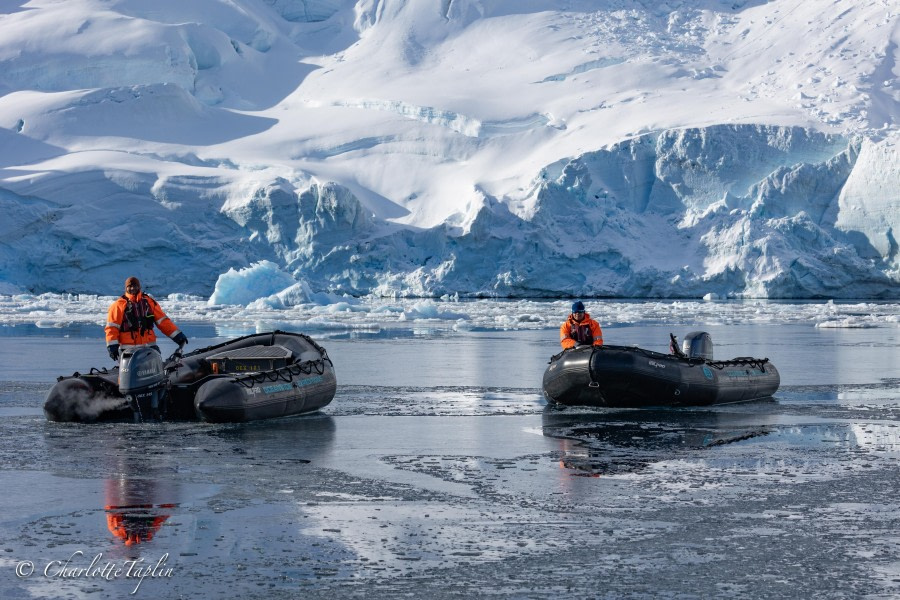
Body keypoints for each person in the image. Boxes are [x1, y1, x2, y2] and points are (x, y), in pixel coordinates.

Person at [105, 276, 188, 361]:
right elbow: (112, 328)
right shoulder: (118, 305)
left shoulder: (149, 302)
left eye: (135, 286)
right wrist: (112, 346)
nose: (133, 288)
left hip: (149, 348)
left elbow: (163, 322)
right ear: (126, 288)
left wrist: (178, 336)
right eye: (129, 286)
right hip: (128, 352)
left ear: (139, 287)